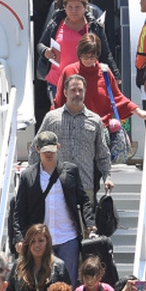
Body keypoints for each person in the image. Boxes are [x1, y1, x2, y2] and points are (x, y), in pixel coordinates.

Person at [13, 130, 96, 288]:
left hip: (68, 237)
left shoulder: (71, 170)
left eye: (51, 150)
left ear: (58, 147)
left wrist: (90, 223)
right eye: (45, 151)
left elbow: (83, 199)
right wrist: (19, 237)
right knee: (42, 283)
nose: (49, 154)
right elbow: (19, 211)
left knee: (68, 284)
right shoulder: (28, 175)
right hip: (41, 240)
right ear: (37, 150)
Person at [37, 0, 119, 105]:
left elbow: (105, 53)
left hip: (85, 82)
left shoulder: (94, 27)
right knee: (61, 119)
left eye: (77, 7)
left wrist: (115, 76)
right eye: (70, 7)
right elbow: (40, 44)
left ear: (85, 8)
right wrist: (45, 51)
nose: (73, 10)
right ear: (64, 7)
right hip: (58, 82)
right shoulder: (55, 24)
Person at [39, 74, 114, 202]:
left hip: (85, 186)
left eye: (80, 90)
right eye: (73, 90)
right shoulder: (51, 118)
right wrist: (32, 178)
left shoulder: (95, 120)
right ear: (65, 92)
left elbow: (103, 154)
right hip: (56, 185)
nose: (77, 94)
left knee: (86, 222)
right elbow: (37, 147)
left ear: (85, 92)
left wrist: (107, 177)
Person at [54, 33, 146, 127]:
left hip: (101, 127)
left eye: (92, 57)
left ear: (97, 55)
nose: (88, 60)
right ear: (79, 54)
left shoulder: (105, 72)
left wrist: (138, 111)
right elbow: (59, 101)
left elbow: (117, 97)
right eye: (85, 56)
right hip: (73, 127)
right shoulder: (69, 71)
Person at [8, 223, 71, 291]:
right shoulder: (18, 266)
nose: (37, 245)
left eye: (41, 241)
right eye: (33, 241)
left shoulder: (58, 266)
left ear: (47, 242)